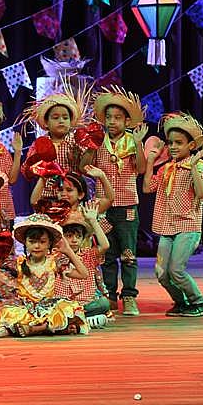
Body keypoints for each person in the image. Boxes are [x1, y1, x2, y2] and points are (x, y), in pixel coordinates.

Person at [142, 113, 203, 318]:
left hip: (187, 226)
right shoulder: (166, 169)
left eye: (178, 143)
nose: (172, 146)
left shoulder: (198, 165)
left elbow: (202, 193)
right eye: (170, 142)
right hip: (167, 227)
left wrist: (193, 167)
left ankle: (198, 302)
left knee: (176, 270)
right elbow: (147, 187)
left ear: (191, 145)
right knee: (161, 273)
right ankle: (181, 302)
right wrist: (151, 160)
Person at [90, 88, 148, 316]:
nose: (112, 122)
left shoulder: (132, 142)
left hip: (127, 206)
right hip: (103, 207)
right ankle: (110, 297)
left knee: (128, 254)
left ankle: (130, 296)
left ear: (127, 121)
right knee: (107, 255)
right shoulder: (98, 141)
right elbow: (84, 167)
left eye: (117, 118)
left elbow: (141, 169)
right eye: (109, 117)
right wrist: (88, 145)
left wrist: (139, 144)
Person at [0, 214, 88, 337]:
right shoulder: (17, 264)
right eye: (32, 242)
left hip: (48, 307)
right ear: (25, 243)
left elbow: (83, 274)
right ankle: (49, 328)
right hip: (25, 307)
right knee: (8, 311)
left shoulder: (55, 262)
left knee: (68, 307)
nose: (37, 246)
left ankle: (35, 329)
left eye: (42, 242)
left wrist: (68, 250)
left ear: (49, 243)